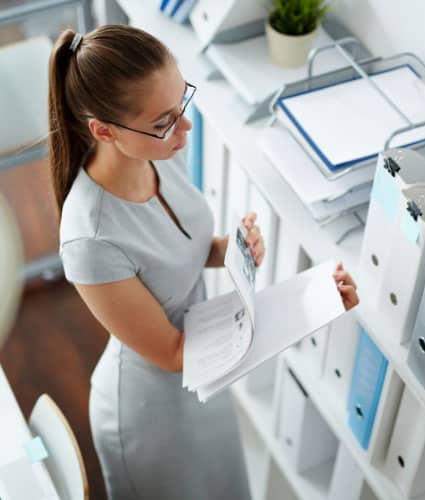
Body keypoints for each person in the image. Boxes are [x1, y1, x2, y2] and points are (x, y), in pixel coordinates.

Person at [48, 25, 359, 500]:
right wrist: (307, 307)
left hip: (205, 386)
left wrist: (229, 250)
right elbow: (174, 353)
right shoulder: (90, 239)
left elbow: (179, 253)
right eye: (164, 120)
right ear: (104, 131)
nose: (185, 128)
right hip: (153, 411)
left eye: (182, 104)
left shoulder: (161, 151)